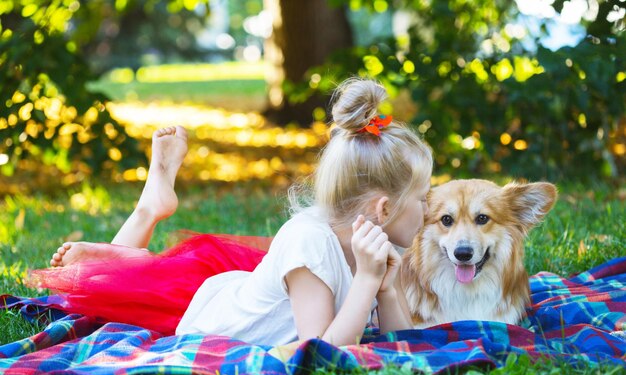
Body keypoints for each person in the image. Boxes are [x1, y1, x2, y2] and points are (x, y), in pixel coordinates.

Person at [30, 78, 433, 347]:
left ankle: (139, 235)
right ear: (382, 208)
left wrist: (385, 287)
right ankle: (145, 213)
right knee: (110, 296)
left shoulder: (365, 243)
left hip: (239, 293)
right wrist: (366, 282)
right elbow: (320, 355)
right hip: (208, 321)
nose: (429, 209)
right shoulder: (311, 243)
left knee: (158, 277)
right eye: (422, 197)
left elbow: (402, 344)